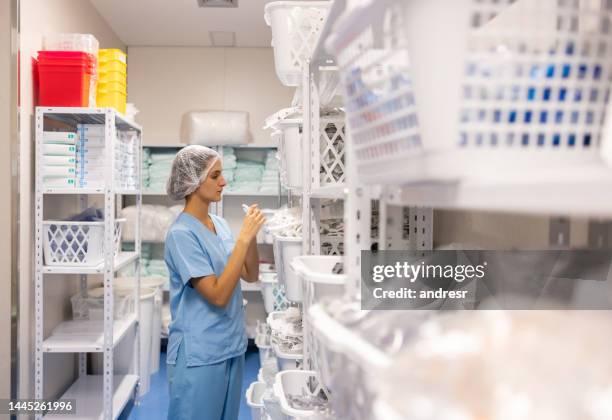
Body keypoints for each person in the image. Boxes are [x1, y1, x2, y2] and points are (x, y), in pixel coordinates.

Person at [164, 145, 266, 420]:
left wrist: (251, 235)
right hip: (199, 353)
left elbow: (250, 274)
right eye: (215, 176)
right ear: (193, 180)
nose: (224, 181)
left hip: (230, 345)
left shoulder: (219, 223)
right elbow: (218, 295)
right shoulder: (181, 234)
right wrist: (243, 238)